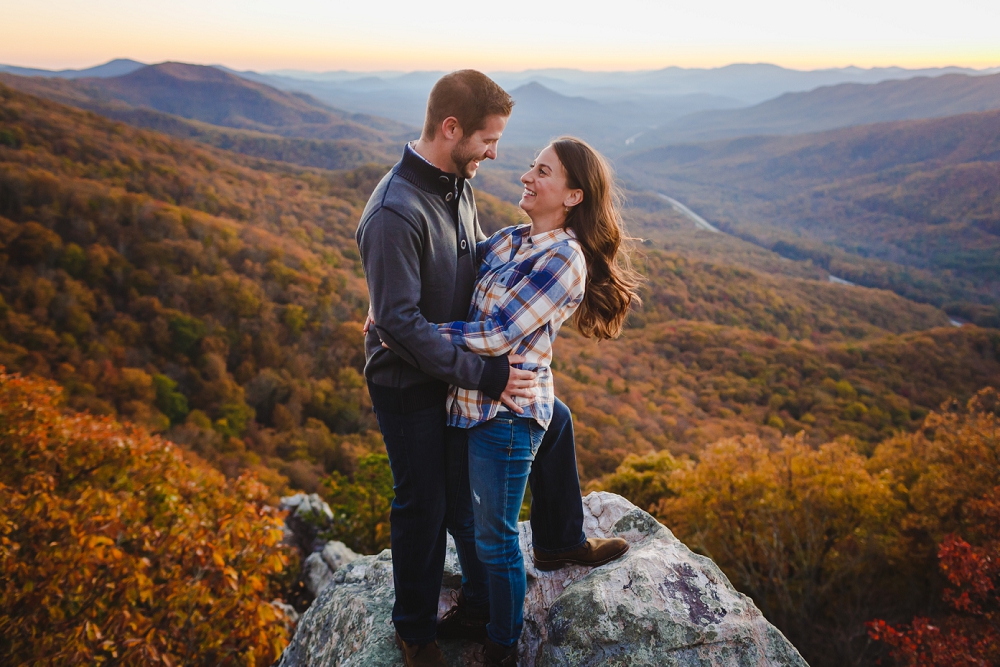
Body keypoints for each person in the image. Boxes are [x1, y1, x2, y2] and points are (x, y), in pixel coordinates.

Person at [356, 71, 628, 667]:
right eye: (490, 141)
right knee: (424, 504)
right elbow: (403, 326)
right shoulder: (394, 212)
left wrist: (400, 316)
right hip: (412, 377)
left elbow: (474, 257)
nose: (499, 157)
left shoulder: (457, 184)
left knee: (552, 416)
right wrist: (484, 373)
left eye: (532, 163)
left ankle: (559, 542)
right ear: (452, 130)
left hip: (461, 366)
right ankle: (415, 633)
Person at [436, 136, 642, 666]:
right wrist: (388, 296)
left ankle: (503, 646)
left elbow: (501, 332)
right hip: (472, 400)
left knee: (495, 538)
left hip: (505, 414)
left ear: (573, 196)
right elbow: (453, 269)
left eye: (543, 171)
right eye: (532, 166)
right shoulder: (512, 240)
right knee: (464, 520)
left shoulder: (563, 258)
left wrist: (417, 333)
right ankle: (529, 564)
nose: (528, 175)